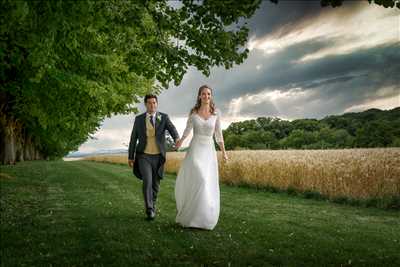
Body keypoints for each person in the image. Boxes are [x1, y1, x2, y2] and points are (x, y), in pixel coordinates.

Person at [174, 84, 229, 230]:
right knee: (200, 178)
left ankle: (203, 218)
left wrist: (224, 152)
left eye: (209, 94)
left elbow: (218, 135)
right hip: (195, 149)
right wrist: (180, 141)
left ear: (211, 96)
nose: (206, 96)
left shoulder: (216, 113)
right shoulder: (194, 113)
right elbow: (187, 130)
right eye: (203, 94)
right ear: (199, 96)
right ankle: (191, 215)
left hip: (208, 151)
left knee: (206, 182)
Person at [128, 94, 180, 220]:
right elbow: (133, 138)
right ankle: (149, 209)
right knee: (147, 180)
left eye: (154, 103)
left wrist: (177, 138)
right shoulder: (139, 119)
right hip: (143, 155)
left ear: (157, 104)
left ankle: (153, 204)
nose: (152, 105)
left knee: (156, 184)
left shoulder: (163, 117)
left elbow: (172, 128)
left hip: (158, 156)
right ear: (146, 104)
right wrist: (131, 156)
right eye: (150, 103)